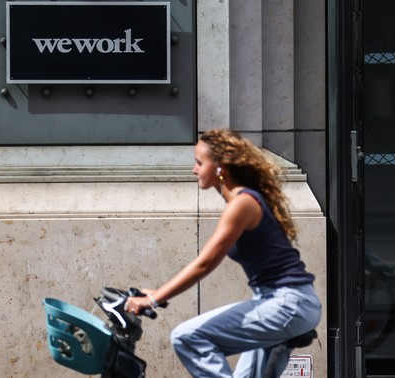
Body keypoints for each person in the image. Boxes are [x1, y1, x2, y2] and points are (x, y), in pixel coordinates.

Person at [125, 129, 321, 377]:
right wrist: (158, 292)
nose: (194, 170)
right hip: (284, 303)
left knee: (187, 337)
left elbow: (204, 263)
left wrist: (152, 299)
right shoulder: (244, 201)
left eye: (199, 162)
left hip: (287, 304)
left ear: (220, 168)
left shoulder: (242, 204)